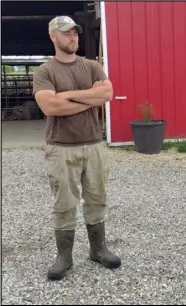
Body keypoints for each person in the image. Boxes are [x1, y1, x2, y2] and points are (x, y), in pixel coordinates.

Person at [33, 16, 121, 280]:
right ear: (53, 36)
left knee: (97, 198)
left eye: (75, 33)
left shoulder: (92, 66)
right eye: (66, 33)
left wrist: (68, 96)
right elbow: (50, 107)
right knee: (64, 203)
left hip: (93, 145)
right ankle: (64, 257)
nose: (73, 38)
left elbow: (106, 94)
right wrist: (89, 99)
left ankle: (98, 249)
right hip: (61, 147)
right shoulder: (45, 72)